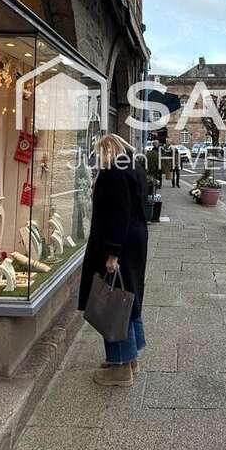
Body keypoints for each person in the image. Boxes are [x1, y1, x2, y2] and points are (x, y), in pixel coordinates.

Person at [78, 133, 149, 387]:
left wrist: (112, 253)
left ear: (108, 150)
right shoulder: (134, 166)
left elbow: (118, 214)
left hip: (119, 245)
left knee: (115, 303)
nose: (97, 159)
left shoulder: (113, 173)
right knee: (127, 298)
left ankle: (120, 367)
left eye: (99, 154)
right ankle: (130, 358)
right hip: (135, 243)